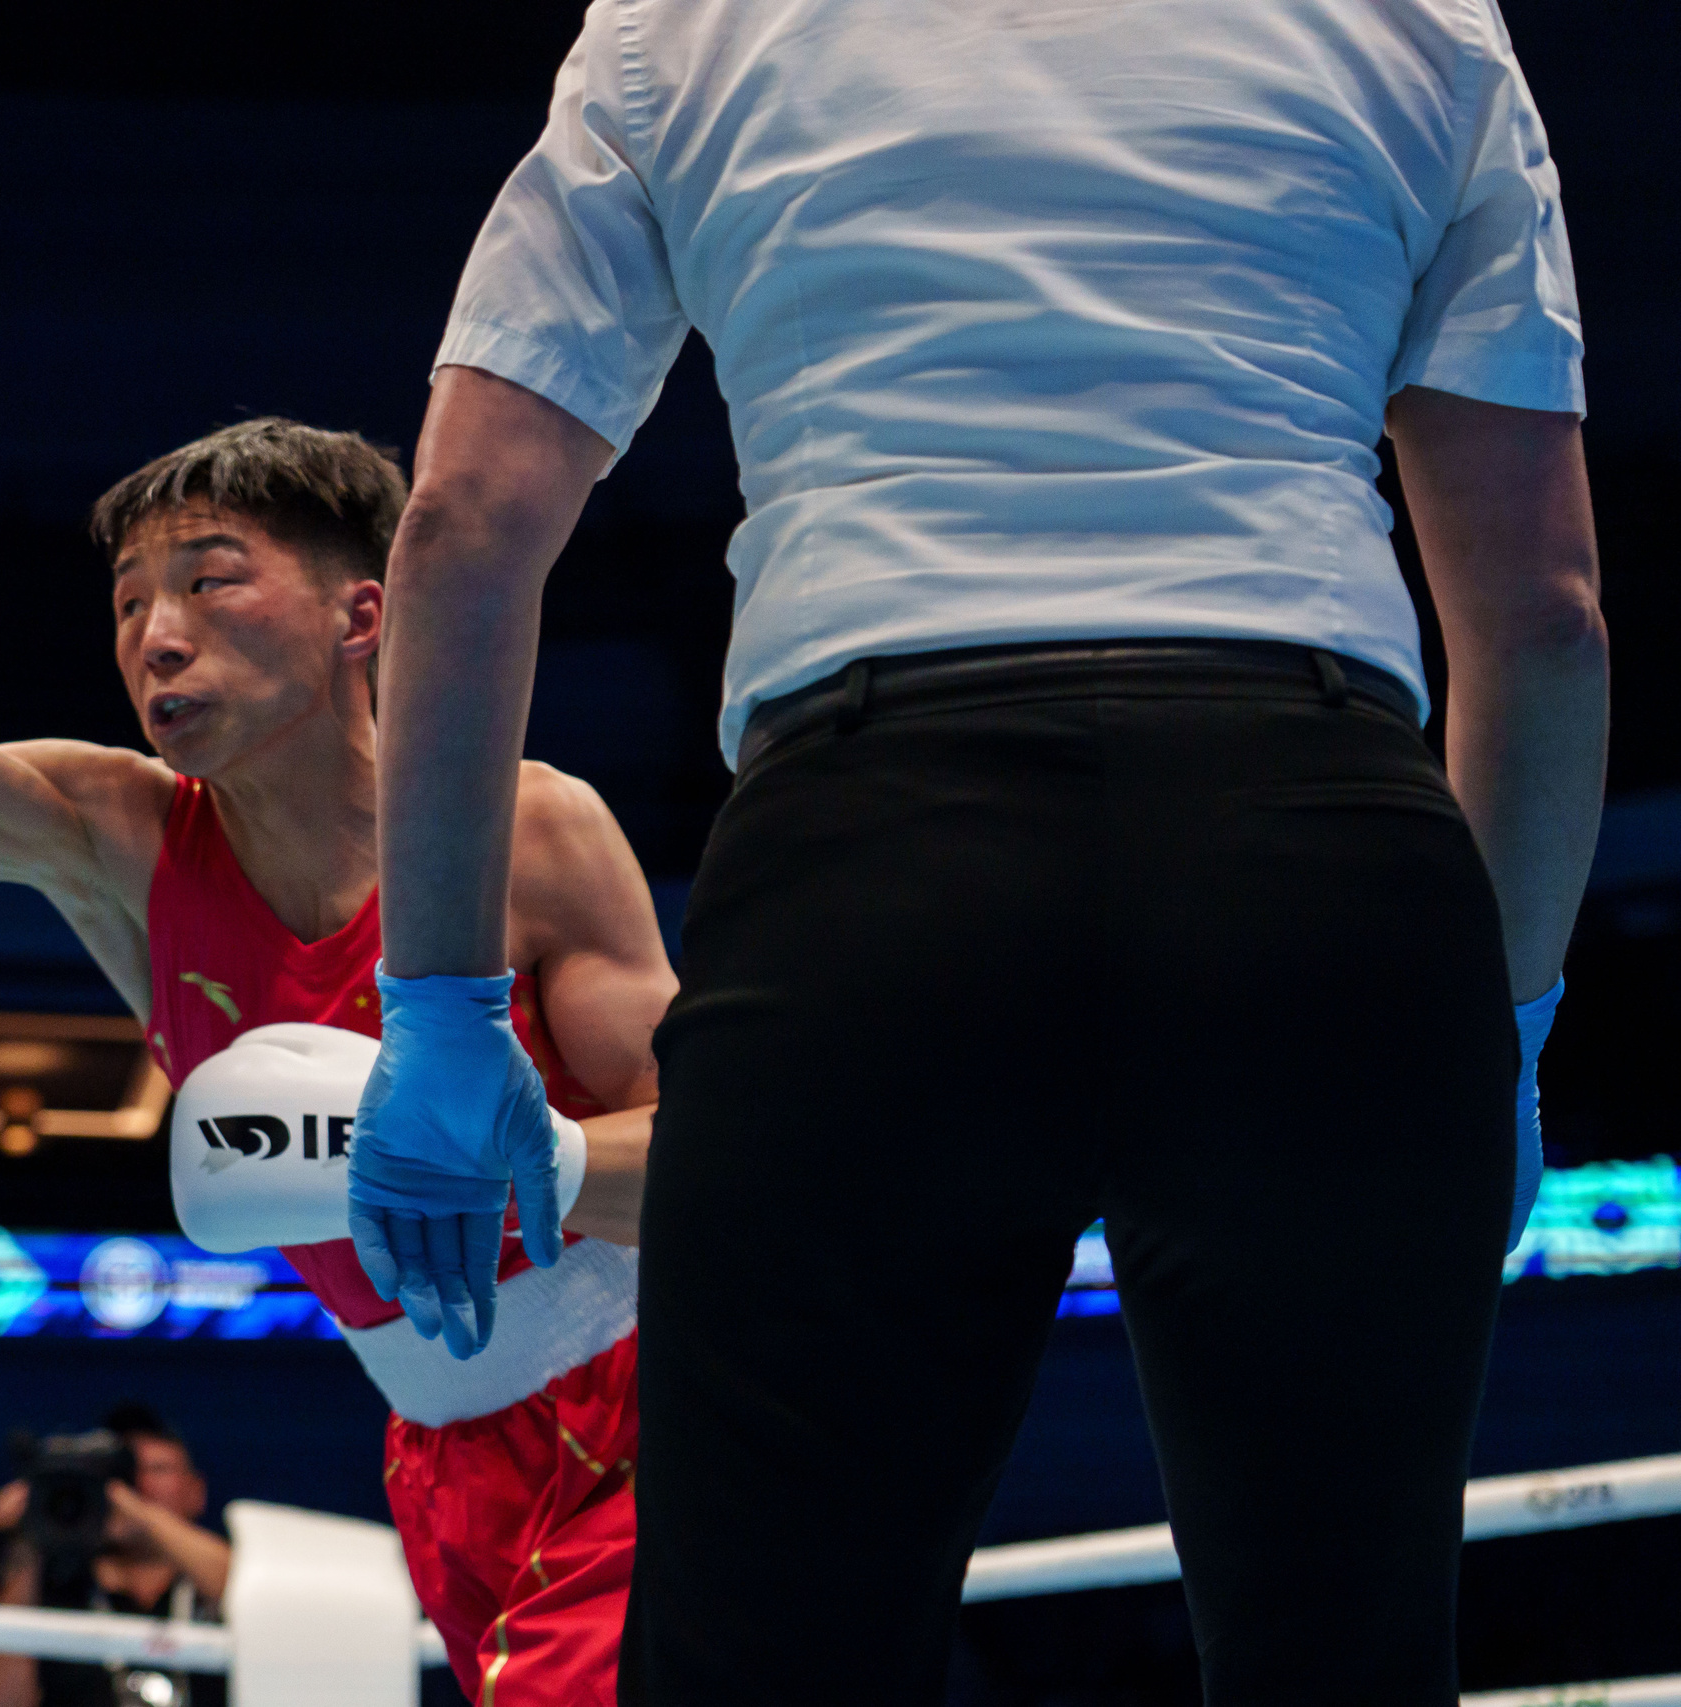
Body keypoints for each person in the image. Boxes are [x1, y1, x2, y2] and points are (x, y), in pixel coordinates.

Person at [351, 1, 1607, 1702]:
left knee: (763, 1666)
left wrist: (439, 1004)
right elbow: (1544, 618)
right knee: (1345, 1658)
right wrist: (1503, 1031)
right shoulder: (1426, 21)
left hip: (874, 867)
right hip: (1317, 861)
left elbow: (462, 521)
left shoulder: (682, 24)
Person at [0, 417, 676, 1704]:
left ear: (359, 616)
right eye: (130, 604)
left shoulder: (529, 830)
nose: (156, 637)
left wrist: (522, 1160)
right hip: (438, 1457)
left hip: (647, 1415)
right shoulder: (123, 839)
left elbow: (719, 1170)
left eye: (209, 581)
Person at [0, 1404, 233, 1707]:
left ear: (197, 1491)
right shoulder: (55, 1587)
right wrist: (27, 1543)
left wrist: (142, 1516)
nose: (139, 1485)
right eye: (124, 1474)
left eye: (158, 1469)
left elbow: (245, 1586)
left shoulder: (213, 1582)